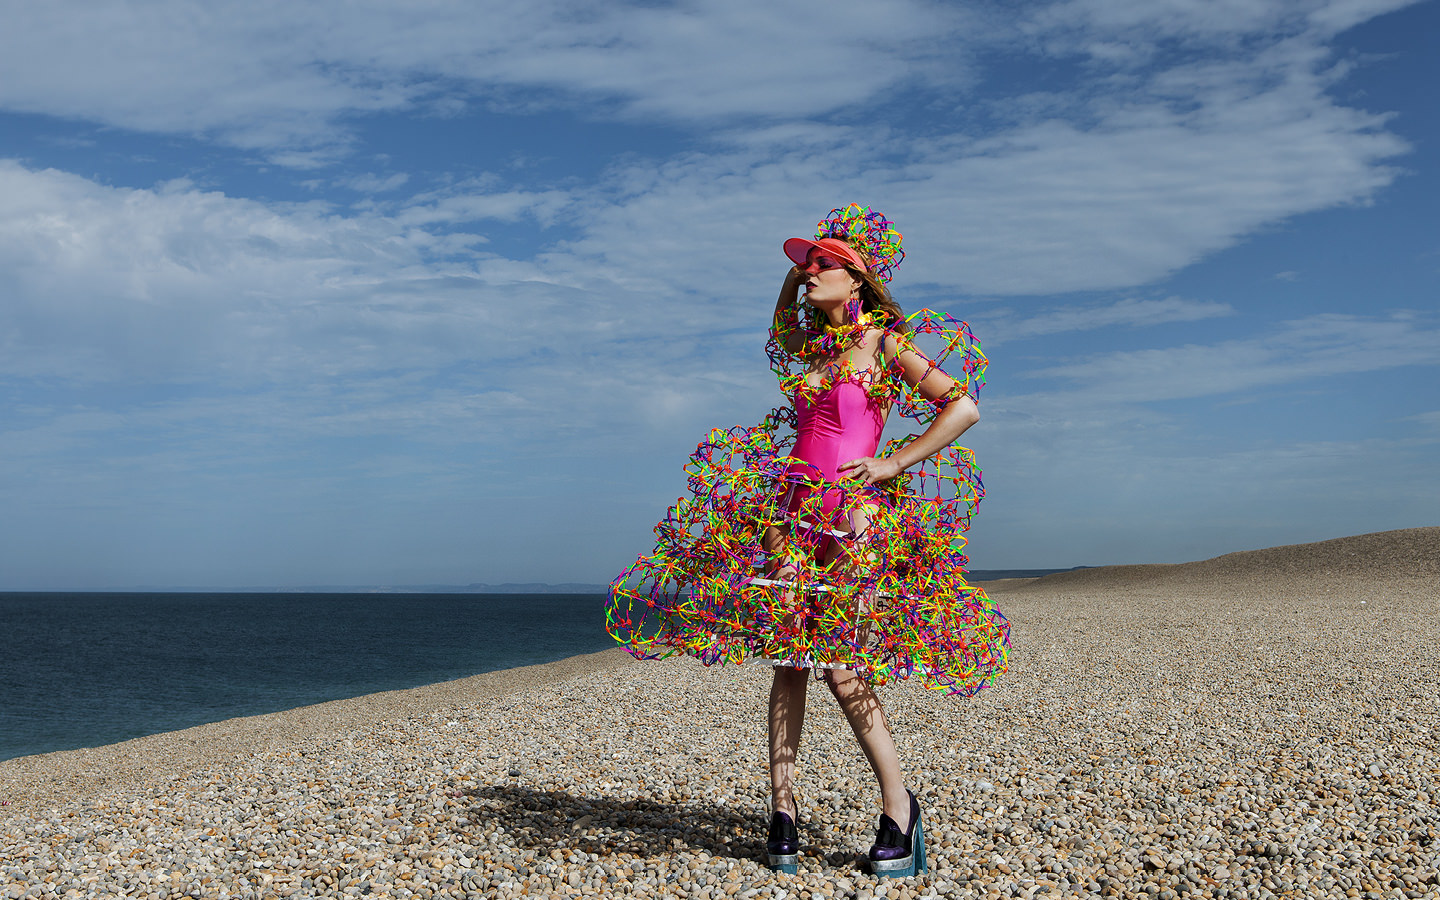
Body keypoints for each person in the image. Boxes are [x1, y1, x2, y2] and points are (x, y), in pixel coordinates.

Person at [607, 205, 1009, 878]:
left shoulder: (882, 342)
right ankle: (783, 813)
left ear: (855, 279)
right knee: (787, 661)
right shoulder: (812, 349)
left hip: (852, 515)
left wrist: (894, 463)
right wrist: (793, 285)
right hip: (792, 515)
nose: (809, 269)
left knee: (840, 664)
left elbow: (963, 405)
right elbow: (776, 330)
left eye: (821, 263)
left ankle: (899, 809)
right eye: (807, 262)